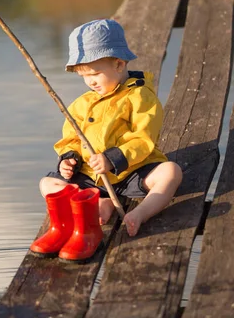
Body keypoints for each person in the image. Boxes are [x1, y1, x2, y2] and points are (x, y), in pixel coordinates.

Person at [30, 19, 182, 262]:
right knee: (47, 184)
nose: (90, 81)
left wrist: (113, 159)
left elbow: (143, 138)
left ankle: (140, 213)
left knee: (171, 172)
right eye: (84, 76)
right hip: (91, 176)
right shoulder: (82, 104)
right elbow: (70, 137)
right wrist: (69, 159)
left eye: (95, 73)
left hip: (131, 171)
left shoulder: (140, 97)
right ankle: (79, 216)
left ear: (119, 64)